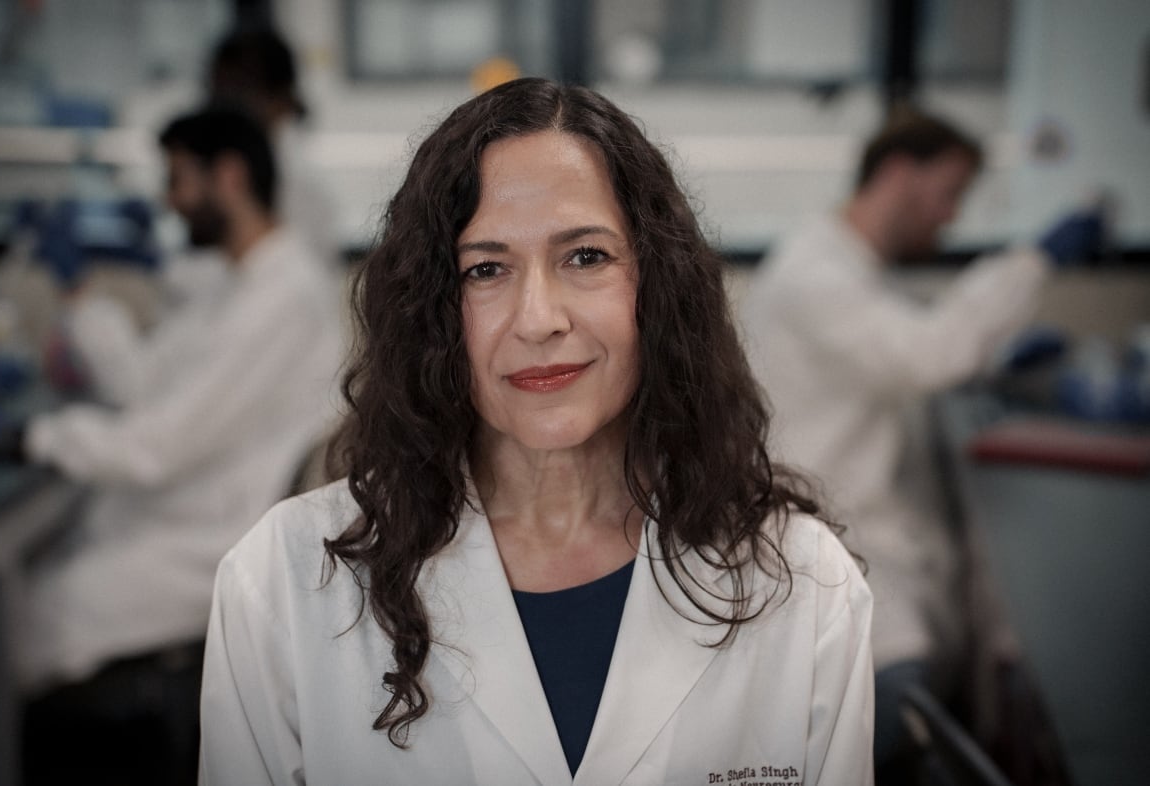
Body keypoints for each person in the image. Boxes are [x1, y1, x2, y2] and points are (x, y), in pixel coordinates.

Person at [198, 78, 873, 784]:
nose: (538, 318)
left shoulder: (805, 585)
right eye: (485, 269)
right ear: (433, 312)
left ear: (658, 286)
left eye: (586, 257)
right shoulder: (279, 582)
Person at [734, 108, 1103, 778]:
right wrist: (1036, 260)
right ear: (900, 173)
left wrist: (1002, 358)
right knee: (895, 730)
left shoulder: (851, 270)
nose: (950, 217)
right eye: (949, 192)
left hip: (867, 554)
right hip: (846, 562)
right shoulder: (814, 275)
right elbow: (926, 352)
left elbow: (897, 349)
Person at [0, 105, 344, 690]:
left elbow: (154, 448)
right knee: (20, 584)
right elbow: (143, 384)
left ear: (229, 176)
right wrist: (77, 290)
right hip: (179, 509)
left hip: (212, 541)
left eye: (178, 180)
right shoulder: (236, 280)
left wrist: (23, 437)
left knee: (20, 622)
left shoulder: (283, 296)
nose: (170, 203)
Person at [205, 24, 341, 269]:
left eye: (237, 94)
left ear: (280, 99)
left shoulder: (301, 187)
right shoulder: (228, 169)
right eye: (219, 96)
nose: (224, 111)